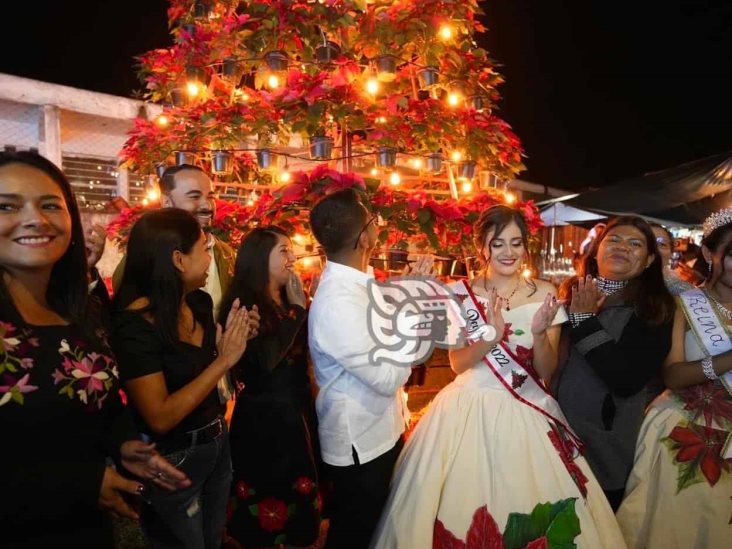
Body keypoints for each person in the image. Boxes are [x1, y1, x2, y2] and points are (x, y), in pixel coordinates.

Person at [371, 205, 626, 548]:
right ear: (483, 247)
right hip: (466, 407)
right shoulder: (460, 293)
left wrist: (538, 334)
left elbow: (547, 371)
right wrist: (490, 335)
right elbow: (458, 363)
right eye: (498, 243)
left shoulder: (545, 290)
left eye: (516, 242)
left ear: (525, 246)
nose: (509, 252)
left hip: (527, 408)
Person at [0, 151, 189, 548]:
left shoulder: (80, 310)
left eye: (51, 204)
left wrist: (123, 444)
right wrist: (81, 482)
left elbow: (100, 398)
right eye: (7, 206)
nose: (35, 218)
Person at [111, 208, 251, 549]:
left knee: (213, 538)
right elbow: (159, 416)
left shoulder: (199, 303)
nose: (209, 258)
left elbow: (203, 373)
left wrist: (228, 345)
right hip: (173, 458)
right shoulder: (135, 326)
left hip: (216, 441)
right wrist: (222, 363)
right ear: (177, 259)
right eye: (204, 248)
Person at [308, 189, 434, 549]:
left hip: (378, 431)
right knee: (354, 534)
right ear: (364, 237)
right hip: (359, 444)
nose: (379, 226)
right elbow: (387, 377)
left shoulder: (356, 284)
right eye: (373, 220)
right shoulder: (338, 302)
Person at [617, 208, 732, 549]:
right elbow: (673, 374)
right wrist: (726, 360)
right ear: (710, 253)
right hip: (687, 431)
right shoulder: (684, 303)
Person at [554, 216, 676, 510]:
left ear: (648, 261)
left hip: (604, 446)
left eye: (635, 244)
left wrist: (584, 321)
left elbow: (626, 379)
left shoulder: (655, 307)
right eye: (614, 240)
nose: (622, 247)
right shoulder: (569, 293)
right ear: (596, 251)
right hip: (553, 434)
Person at [221, 227, 321, 547]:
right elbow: (265, 361)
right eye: (283, 251)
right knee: (262, 516)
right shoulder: (243, 304)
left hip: (297, 411)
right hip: (263, 419)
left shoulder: (290, 298)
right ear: (259, 258)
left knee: (300, 510)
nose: (292, 258)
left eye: (291, 250)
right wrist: (298, 311)